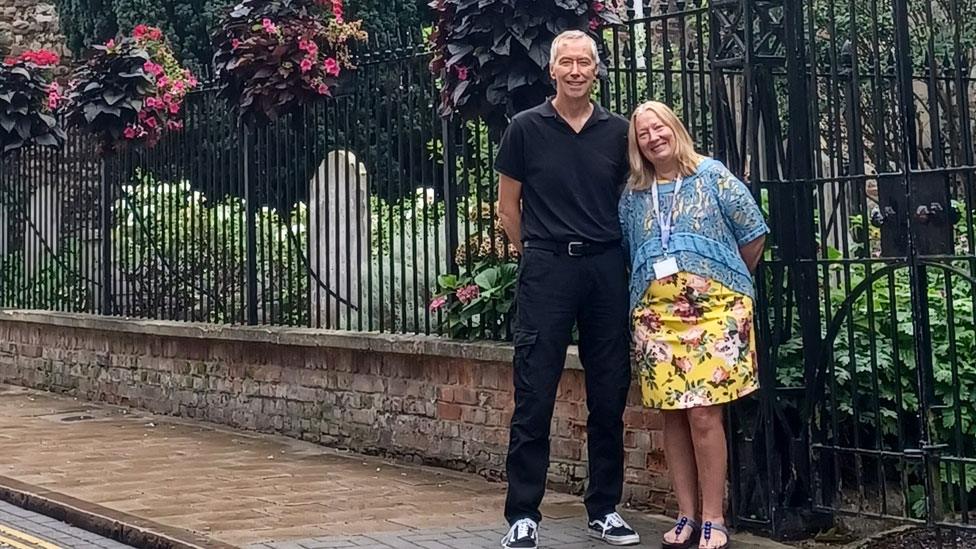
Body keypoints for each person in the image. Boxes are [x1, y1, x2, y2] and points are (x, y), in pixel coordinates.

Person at [494, 29, 640, 549]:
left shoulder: (618, 132)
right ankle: (522, 515)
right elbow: (508, 208)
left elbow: (634, 201)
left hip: (605, 268)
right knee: (534, 391)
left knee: (608, 390)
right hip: (548, 268)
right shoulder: (525, 129)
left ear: (596, 70)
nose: (576, 71)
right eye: (567, 63)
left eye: (585, 62)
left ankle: (604, 509)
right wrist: (530, 252)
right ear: (551, 70)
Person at [618, 101, 768, 549]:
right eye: (643, 133)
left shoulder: (712, 175)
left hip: (716, 315)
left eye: (659, 127)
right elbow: (630, 249)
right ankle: (685, 513)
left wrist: (726, 283)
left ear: (675, 128)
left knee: (704, 413)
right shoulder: (635, 193)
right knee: (674, 415)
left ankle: (713, 518)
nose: (653, 137)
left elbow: (753, 233)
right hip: (657, 319)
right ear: (637, 144)